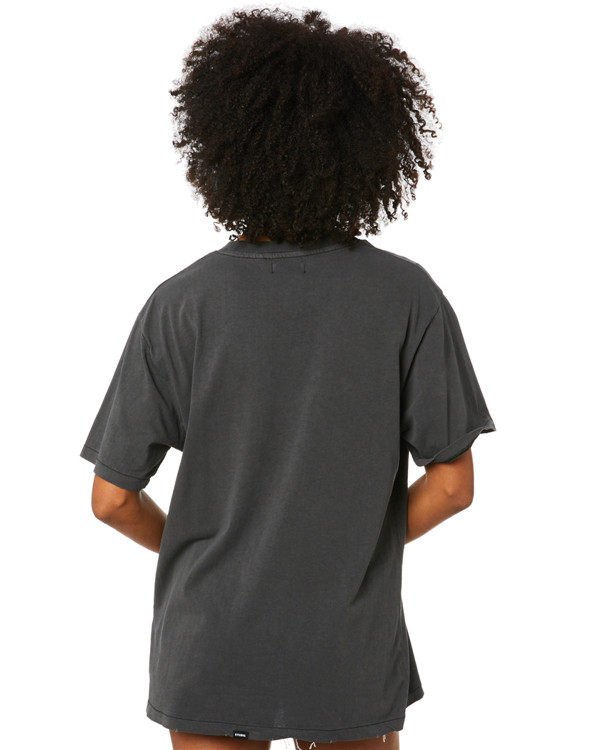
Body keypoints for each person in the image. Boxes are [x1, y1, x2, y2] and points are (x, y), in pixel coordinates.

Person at [81, 9, 495, 750]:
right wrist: (353, 544)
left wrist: (206, 550)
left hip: (210, 644)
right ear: (365, 150)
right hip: (346, 647)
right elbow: (453, 485)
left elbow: (111, 499)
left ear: (224, 147)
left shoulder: (182, 303)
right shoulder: (407, 297)